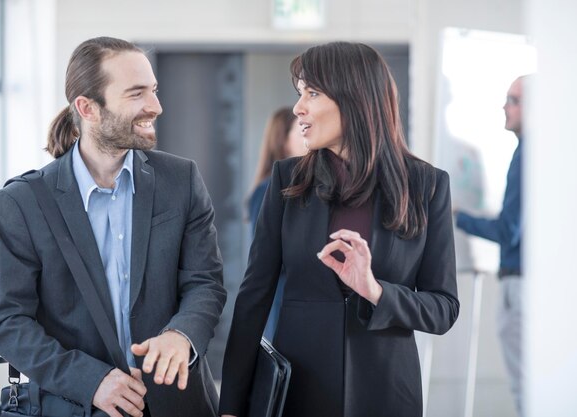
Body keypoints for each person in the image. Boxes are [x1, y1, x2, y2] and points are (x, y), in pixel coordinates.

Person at [0, 36, 226, 417]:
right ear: (87, 108)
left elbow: (205, 282)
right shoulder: (21, 203)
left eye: (155, 90)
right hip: (76, 404)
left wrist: (182, 335)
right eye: (136, 93)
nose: (156, 106)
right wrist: (91, 380)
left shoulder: (182, 180)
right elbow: (7, 322)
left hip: (177, 404)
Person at [219, 41, 459, 417]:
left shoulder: (426, 185)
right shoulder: (286, 179)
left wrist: (376, 291)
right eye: (300, 94)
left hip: (387, 394)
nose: (299, 107)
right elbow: (254, 296)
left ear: (356, 98)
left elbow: (443, 309)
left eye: (312, 93)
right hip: (298, 393)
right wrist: (231, 405)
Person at [455, 75, 527, 416]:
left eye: (513, 99)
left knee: (525, 383)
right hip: (522, 279)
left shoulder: (528, 154)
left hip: (521, 281)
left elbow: (509, 229)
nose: (505, 106)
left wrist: (457, 217)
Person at [247, 106, 305, 339]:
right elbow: (265, 259)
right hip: (283, 305)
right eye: (301, 131)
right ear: (283, 141)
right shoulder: (267, 190)